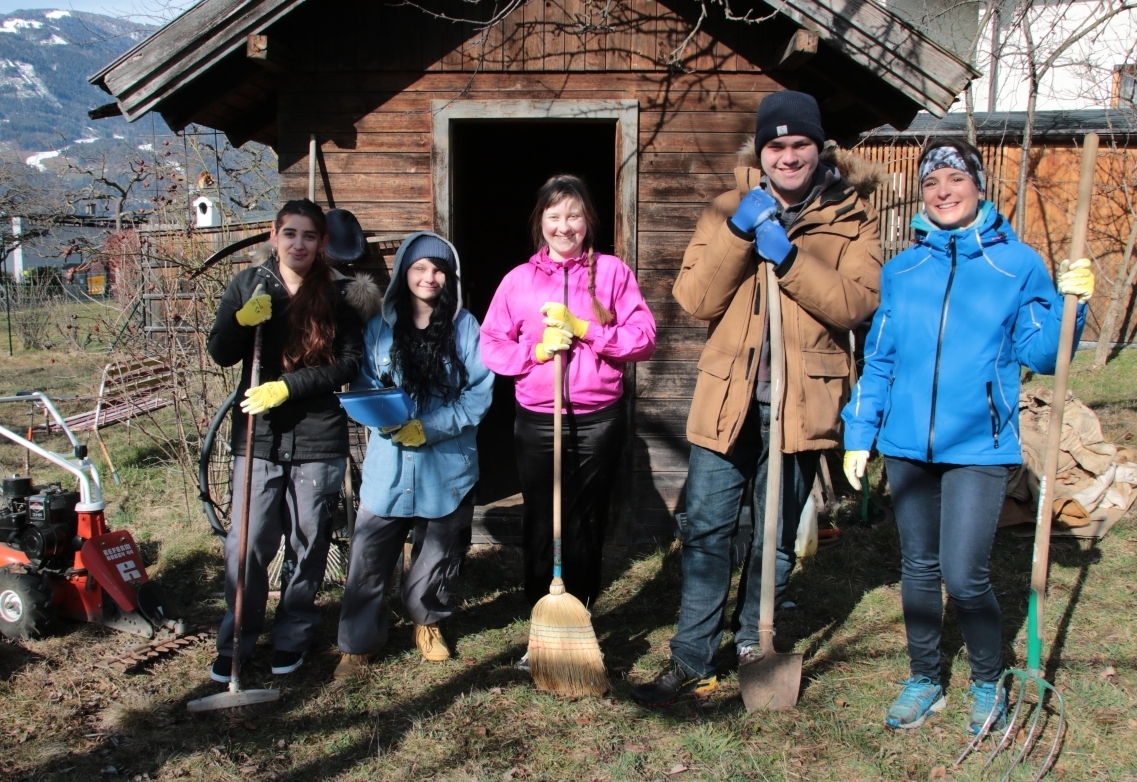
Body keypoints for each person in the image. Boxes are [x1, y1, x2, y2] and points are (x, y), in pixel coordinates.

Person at [631, 90, 885, 707]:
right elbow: (695, 300)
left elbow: (858, 305)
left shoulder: (853, 218)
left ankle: (754, 642)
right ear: (762, 150)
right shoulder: (725, 209)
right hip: (731, 396)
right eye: (777, 145)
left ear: (818, 147)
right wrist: (739, 235)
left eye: (800, 144)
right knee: (708, 528)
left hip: (802, 400)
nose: (789, 156)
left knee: (772, 535)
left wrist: (793, 260)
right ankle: (691, 655)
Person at [841, 138, 1093, 733]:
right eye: (932, 183)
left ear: (979, 187)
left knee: (965, 574)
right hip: (907, 448)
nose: (943, 191)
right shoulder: (903, 269)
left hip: (980, 445)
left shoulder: (1017, 264)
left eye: (955, 179)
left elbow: (1042, 353)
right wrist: (861, 430)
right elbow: (880, 358)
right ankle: (924, 676)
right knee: (919, 569)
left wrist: (1071, 306)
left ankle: (986, 681)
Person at [480, 174, 656, 669]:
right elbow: (490, 344)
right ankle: (543, 619)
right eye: (554, 216)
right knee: (542, 517)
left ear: (587, 222)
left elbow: (643, 337)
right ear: (541, 223)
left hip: (597, 416)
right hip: (538, 417)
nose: (565, 225)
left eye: (574, 215)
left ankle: (580, 613)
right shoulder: (518, 280)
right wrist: (534, 352)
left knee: (585, 518)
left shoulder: (613, 273)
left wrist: (586, 330)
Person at [206, 198, 381, 683]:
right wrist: (239, 322)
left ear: (322, 242)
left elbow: (347, 365)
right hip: (258, 438)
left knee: (307, 546)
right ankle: (236, 641)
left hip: (318, 438)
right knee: (247, 546)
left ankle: (293, 636)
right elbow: (221, 354)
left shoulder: (341, 295)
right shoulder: (249, 284)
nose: (299, 244)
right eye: (290, 234)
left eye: (309, 236)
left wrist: (288, 386)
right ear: (273, 235)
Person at [335, 232, 493, 678]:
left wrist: (432, 427)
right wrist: (384, 418)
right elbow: (364, 386)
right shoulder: (378, 330)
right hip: (391, 463)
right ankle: (357, 643)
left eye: (438, 269)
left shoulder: (466, 328)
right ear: (404, 272)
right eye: (420, 267)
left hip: (448, 466)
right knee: (369, 554)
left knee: (438, 553)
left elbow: (478, 396)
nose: (429, 276)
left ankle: (427, 623)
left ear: (450, 277)